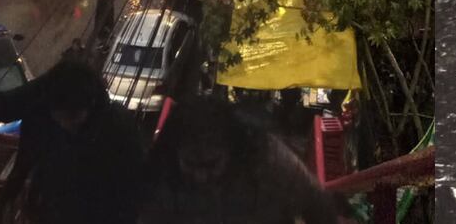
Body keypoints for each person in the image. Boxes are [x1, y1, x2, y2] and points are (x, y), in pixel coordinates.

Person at [0, 60, 144, 224]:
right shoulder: (47, 92)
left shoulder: (118, 129)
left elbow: (128, 192)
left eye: (72, 117)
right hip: (48, 203)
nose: (65, 124)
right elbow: (9, 101)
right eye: (59, 117)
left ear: (90, 105)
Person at [139, 95, 339, 224]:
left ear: (232, 149)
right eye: (191, 164)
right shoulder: (163, 174)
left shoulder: (267, 159)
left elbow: (317, 203)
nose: (201, 176)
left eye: (211, 164)